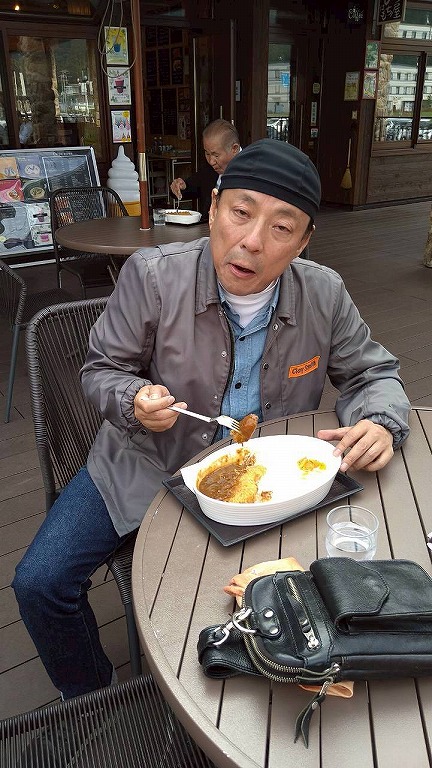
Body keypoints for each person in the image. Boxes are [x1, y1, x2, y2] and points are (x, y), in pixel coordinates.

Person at [12, 139, 410, 701]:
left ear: (303, 240)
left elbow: (373, 374)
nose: (252, 241)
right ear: (215, 205)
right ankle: (88, 695)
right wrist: (134, 399)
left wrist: (380, 420)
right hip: (148, 464)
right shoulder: (152, 276)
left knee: (264, 606)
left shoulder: (323, 293)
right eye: (241, 212)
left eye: (282, 227)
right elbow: (101, 369)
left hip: (269, 484)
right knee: (40, 582)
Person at [170, 118, 240, 220]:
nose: (211, 161)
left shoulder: (251, 171)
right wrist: (180, 186)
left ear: (234, 149)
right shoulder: (209, 170)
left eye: (216, 155)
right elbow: (190, 187)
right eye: (207, 153)